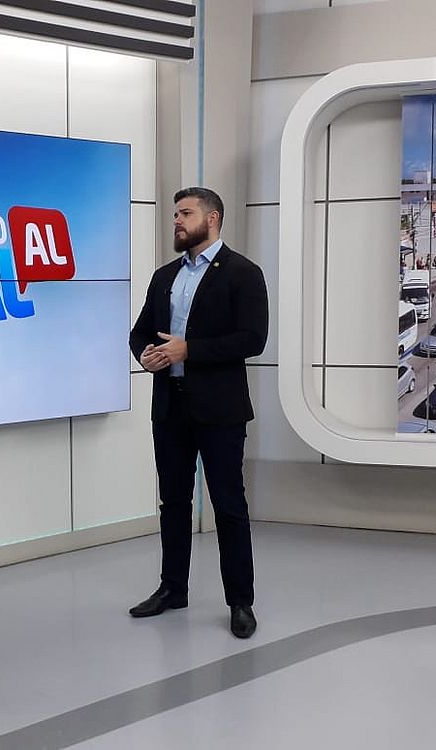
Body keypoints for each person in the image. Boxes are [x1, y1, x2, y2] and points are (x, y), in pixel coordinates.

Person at [128, 187, 269, 639]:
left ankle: (240, 602)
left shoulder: (243, 273)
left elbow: (253, 339)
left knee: (229, 505)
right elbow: (140, 333)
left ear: (212, 219)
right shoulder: (164, 276)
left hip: (221, 410)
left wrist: (190, 351)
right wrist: (146, 355)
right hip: (170, 407)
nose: (176, 221)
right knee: (173, 503)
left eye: (185, 213)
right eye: (175, 214)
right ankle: (173, 588)